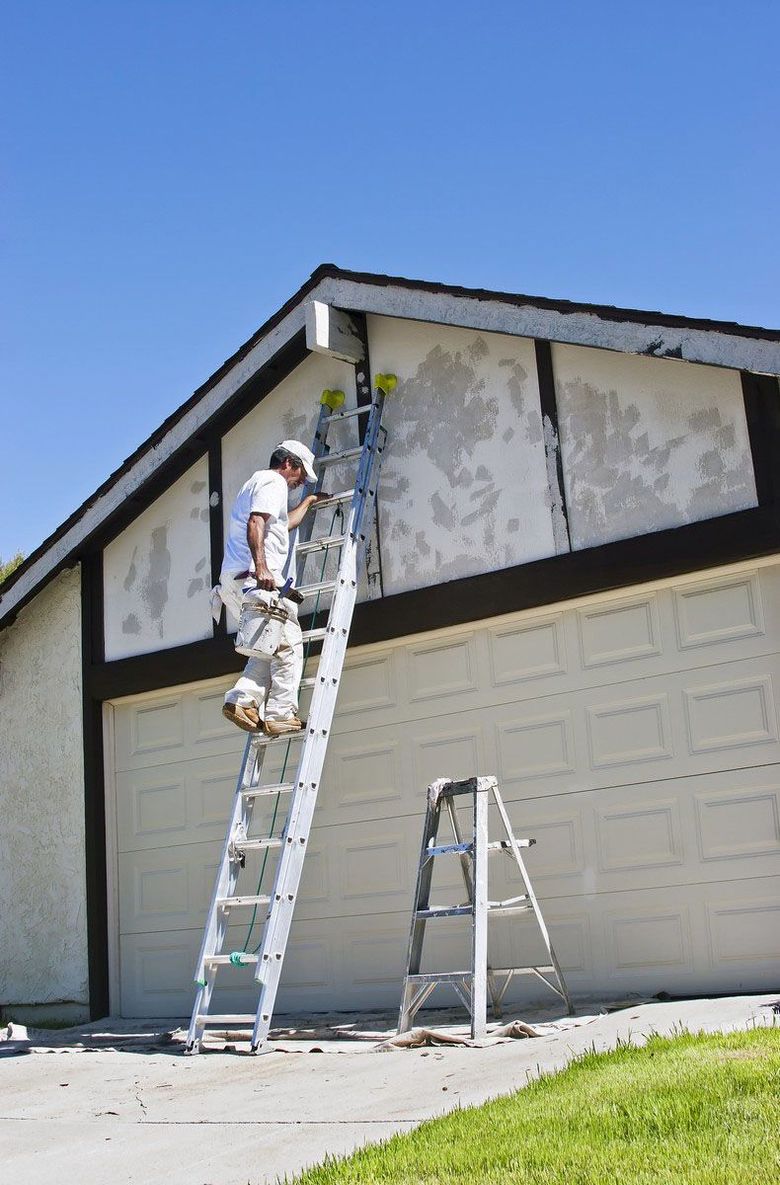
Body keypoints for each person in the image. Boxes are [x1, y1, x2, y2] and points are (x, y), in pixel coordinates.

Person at [216, 439, 325, 735]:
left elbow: (281, 524)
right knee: (289, 644)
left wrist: (308, 502)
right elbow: (256, 523)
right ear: (288, 463)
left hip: (239, 581)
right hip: (255, 579)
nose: (300, 481)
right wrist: (262, 567)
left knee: (269, 647)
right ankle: (279, 714)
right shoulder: (272, 481)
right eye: (301, 474)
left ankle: (242, 700)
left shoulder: (261, 484)